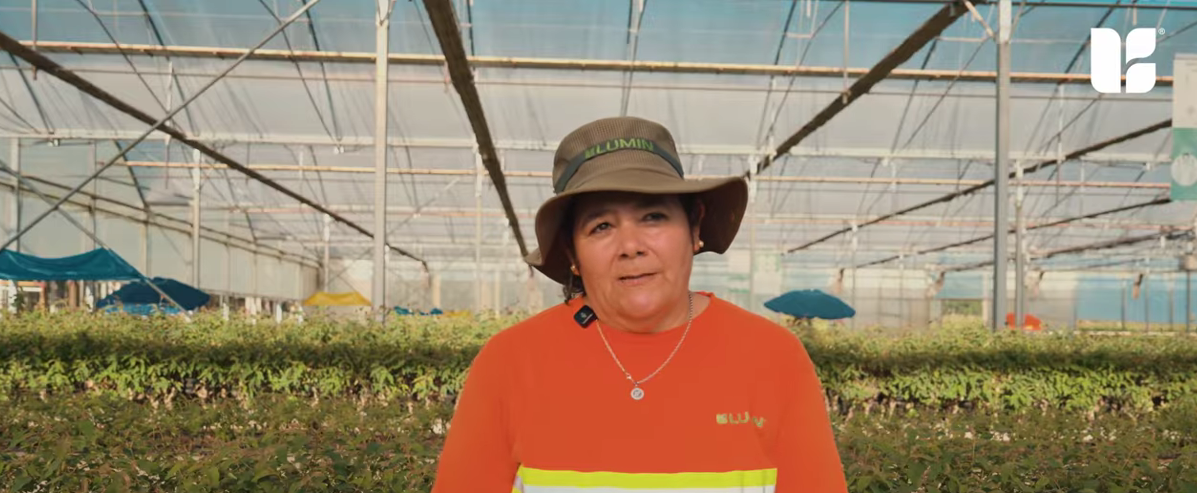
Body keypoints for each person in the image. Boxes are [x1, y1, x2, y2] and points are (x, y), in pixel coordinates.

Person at [431, 117, 848, 493]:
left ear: (694, 227)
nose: (630, 246)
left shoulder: (773, 358)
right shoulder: (511, 362)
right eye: (602, 226)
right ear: (572, 252)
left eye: (653, 217)